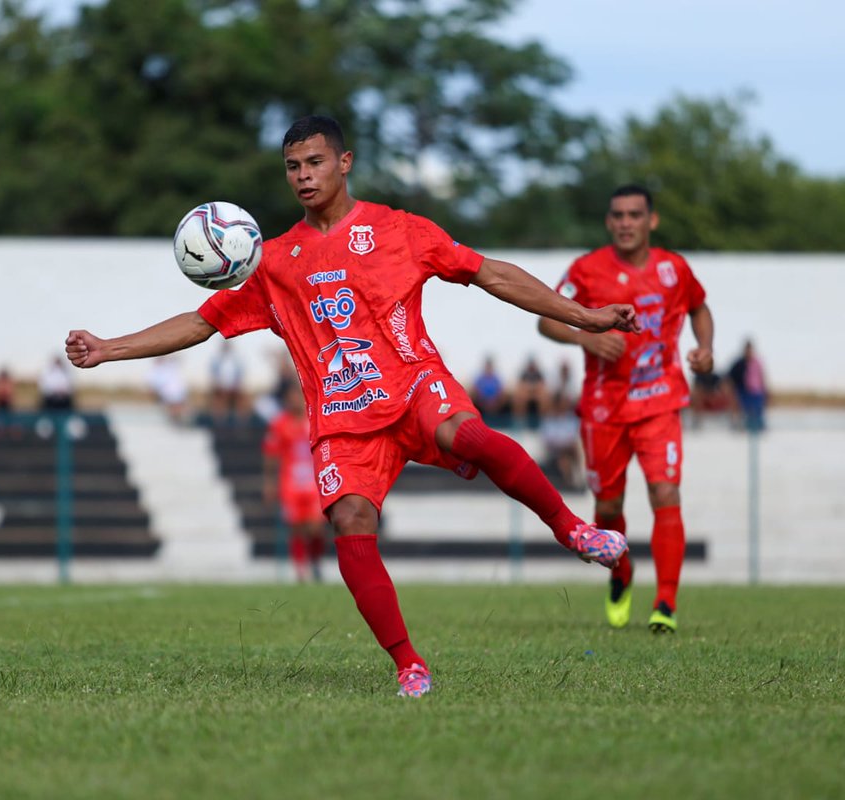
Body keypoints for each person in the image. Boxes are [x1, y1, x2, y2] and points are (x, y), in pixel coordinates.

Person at [65, 115, 638, 698]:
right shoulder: (274, 262)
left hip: (413, 385)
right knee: (351, 522)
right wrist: (109, 348)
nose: (303, 176)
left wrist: (585, 316)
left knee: (468, 434)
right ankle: (409, 665)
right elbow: (200, 322)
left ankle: (573, 531)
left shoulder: (400, 229)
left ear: (345, 162)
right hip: (342, 420)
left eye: (315, 162)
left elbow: (491, 273)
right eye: (293, 167)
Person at [538, 183, 715, 635]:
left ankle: (666, 603)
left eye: (635, 215)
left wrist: (705, 348)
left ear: (651, 220)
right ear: (608, 221)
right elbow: (546, 319)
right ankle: (622, 572)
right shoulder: (587, 269)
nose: (625, 223)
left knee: (665, 493)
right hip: (604, 409)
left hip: (660, 402)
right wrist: (586, 336)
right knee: (608, 505)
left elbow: (700, 308)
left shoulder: (674, 269)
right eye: (617, 215)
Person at [263, 383, 326, 581]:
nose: (294, 401)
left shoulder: (315, 419)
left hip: (314, 483)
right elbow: (271, 455)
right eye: (291, 397)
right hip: (290, 483)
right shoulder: (280, 424)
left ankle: (315, 561)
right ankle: (301, 570)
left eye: (297, 396)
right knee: (296, 527)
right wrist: (269, 483)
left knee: (315, 527)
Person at [728, 339, 767, 432]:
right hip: (743, 391)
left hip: (756, 392)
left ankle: (758, 426)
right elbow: (730, 378)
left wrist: (765, 391)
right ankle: (741, 425)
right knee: (744, 411)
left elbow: (762, 377)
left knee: (757, 412)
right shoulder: (738, 363)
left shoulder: (757, 362)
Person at [209, 340, 247, 425]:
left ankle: (241, 422)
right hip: (220, 386)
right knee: (219, 399)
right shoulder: (217, 358)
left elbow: (240, 373)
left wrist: (236, 385)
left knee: (241, 399)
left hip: (234, 386)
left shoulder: (236, 358)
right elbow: (214, 374)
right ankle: (219, 421)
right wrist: (219, 385)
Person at [510, 355, 548, 429]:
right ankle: (520, 421)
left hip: (536, 396)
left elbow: (542, 386)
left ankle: (543, 422)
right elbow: (520, 386)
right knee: (519, 398)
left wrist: (531, 389)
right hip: (526, 396)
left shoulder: (539, 374)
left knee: (544, 398)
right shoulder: (524, 374)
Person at [469, 355, 508, 422]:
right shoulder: (479, 378)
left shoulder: (496, 378)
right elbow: (475, 390)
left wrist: (494, 402)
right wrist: (483, 402)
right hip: (481, 403)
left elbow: (501, 391)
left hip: (495, 403)